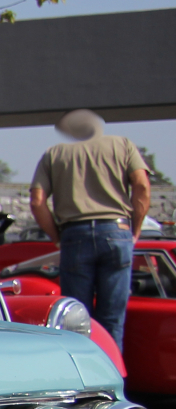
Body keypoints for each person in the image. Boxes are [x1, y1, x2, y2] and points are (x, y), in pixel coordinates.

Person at [29, 109, 151, 349]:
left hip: (74, 235)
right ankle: (112, 377)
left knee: (76, 320)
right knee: (112, 319)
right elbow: (142, 187)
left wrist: (57, 239)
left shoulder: (54, 154)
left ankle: (83, 379)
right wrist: (134, 230)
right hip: (117, 231)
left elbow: (37, 202)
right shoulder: (123, 145)